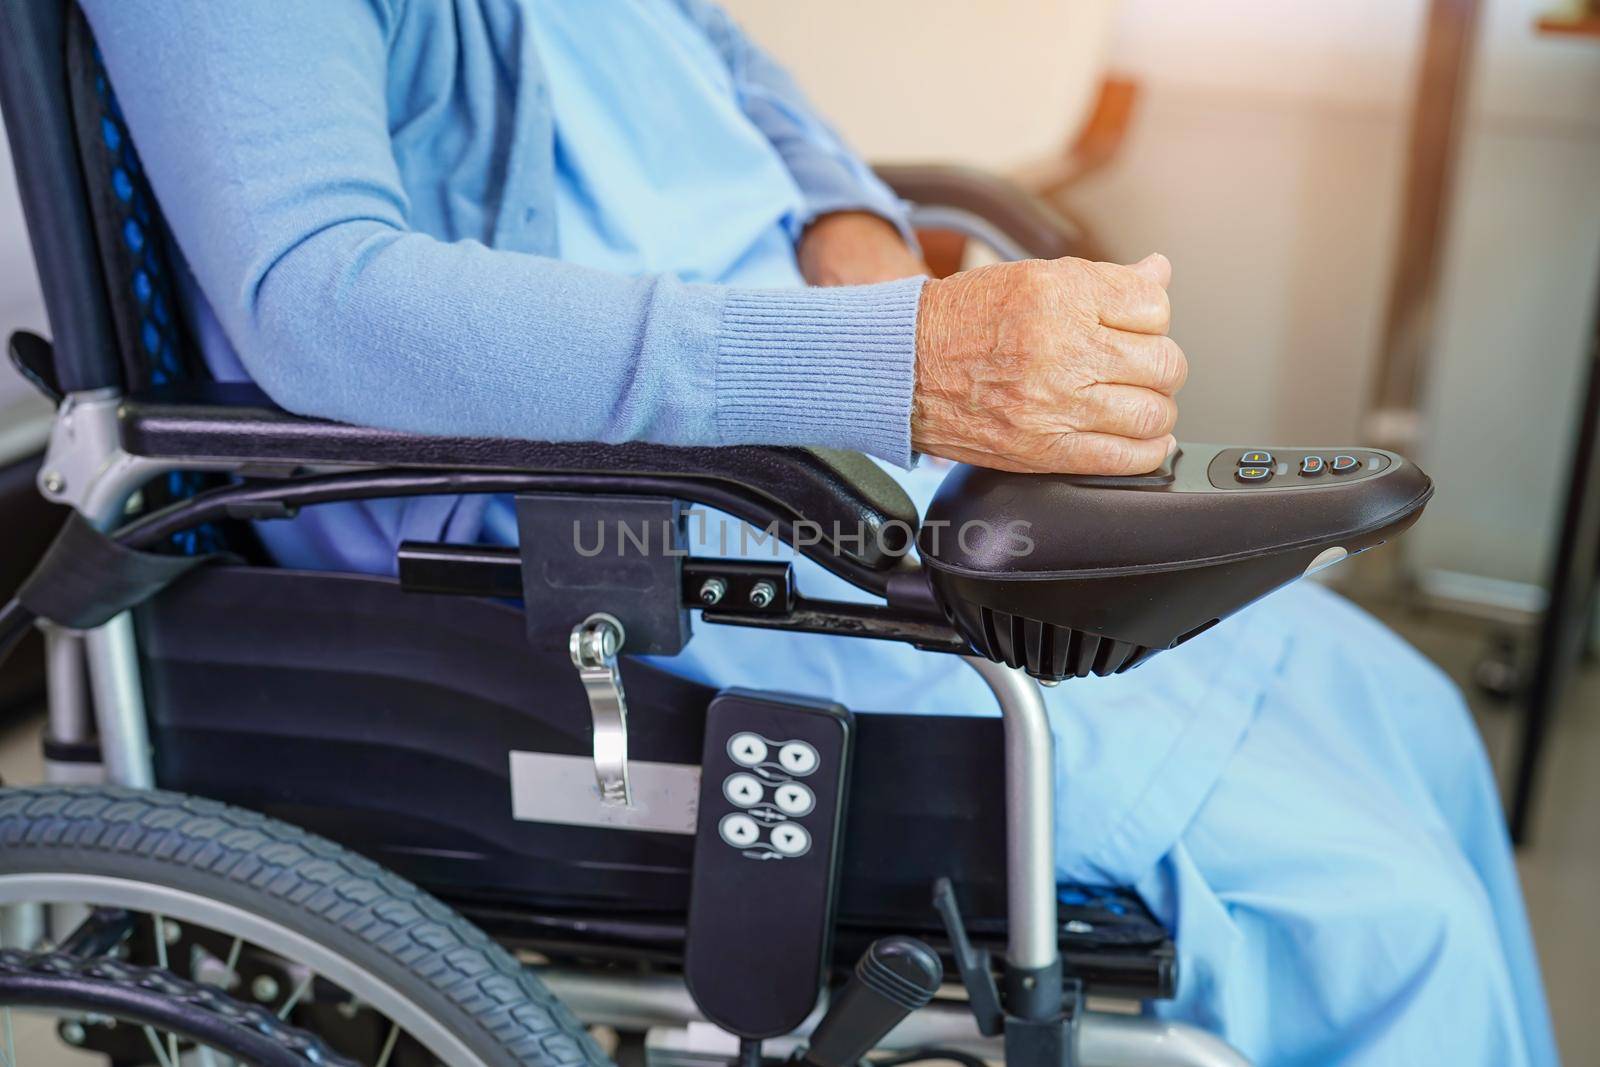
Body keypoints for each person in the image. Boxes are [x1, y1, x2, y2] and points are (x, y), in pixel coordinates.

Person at [82, 2, 1557, 1064]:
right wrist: (900, 359)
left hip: (814, 445)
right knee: (1379, 921)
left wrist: (854, 245)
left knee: (1411, 715)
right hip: (621, 527)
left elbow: (727, 73)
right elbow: (322, 300)